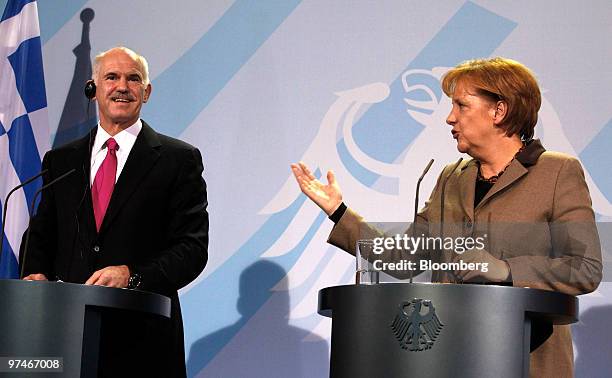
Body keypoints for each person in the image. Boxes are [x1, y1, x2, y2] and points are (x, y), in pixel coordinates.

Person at [291, 57, 601, 377]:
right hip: (448, 359)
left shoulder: (556, 172)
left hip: (525, 362)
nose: (450, 118)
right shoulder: (450, 178)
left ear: (499, 111)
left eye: (461, 106)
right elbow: (405, 257)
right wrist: (338, 212)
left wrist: (506, 270)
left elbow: (585, 267)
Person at [21, 46, 209, 377]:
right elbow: (40, 235)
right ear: (93, 89)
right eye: (111, 77)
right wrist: (35, 274)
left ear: (146, 92)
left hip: (142, 340)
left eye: (133, 79)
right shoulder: (61, 161)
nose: (122, 86)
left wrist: (132, 275)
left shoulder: (178, 159)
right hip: (66, 337)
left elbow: (191, 249)